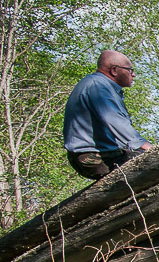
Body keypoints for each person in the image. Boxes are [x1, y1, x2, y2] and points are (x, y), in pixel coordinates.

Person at [63, 50, 153, 180]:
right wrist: (147, 147)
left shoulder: (101, 85)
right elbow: (116, 122)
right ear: (114, 70)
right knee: (152, 162)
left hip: (99, 154)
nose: (133, 75)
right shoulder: (98, 86)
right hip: (91, 157)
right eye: (129, 70)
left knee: (143, 158)